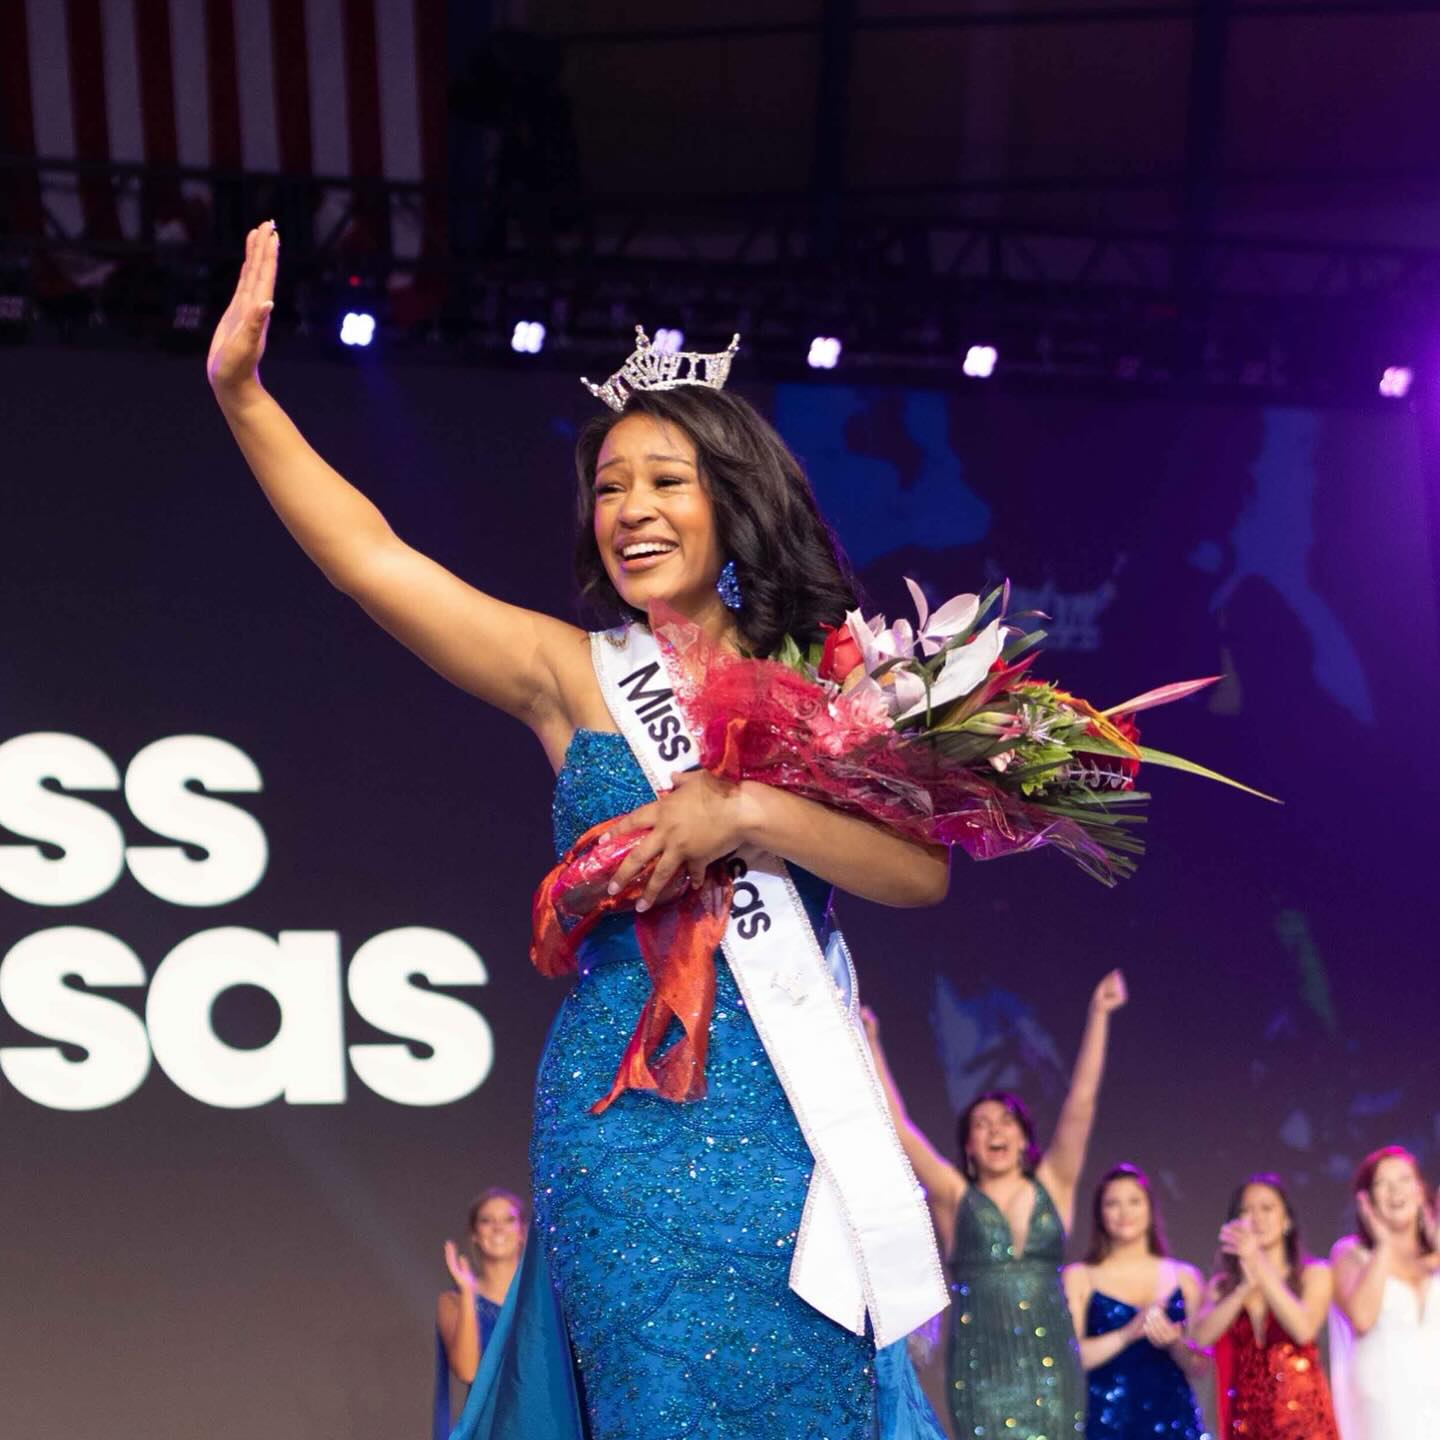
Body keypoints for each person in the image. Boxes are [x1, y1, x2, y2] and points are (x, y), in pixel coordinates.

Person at [206, 224, 951, 1440]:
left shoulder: (832, 684)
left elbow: (919, 873)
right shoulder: (573, 674)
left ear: (731, 499)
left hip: (799, 1124)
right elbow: (372, 562)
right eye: (609, 487)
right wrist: (243, 396)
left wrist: (744, 808)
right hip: (626, 1125)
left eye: (664, 481)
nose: (631, 510)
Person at [863, 968, 1128, 1440]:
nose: (995, 1131)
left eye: (1006, 1121)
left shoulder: (1054, 1184)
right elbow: (899, 1128)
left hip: (1052, 1369)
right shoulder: (955, 1196)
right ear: (969, 1147)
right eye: (981, 1125)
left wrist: (1099, 1014)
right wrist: (872, 1044)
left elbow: (1081, 1103)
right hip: (982, 1370)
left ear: (1025, 1137)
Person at [1061, 1162, 1207, 1440]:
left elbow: (1199, 1365)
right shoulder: (1079, 1276)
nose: (1124, 1212)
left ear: (1150, 1208)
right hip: (1108, 1423)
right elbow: (1070, 1357)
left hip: (1174, 1421)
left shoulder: (1185, 1277)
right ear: (1100, 1214)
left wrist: (1174, 1343)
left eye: (1134, 1202)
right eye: (1112, 1204)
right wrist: (1127, 1334)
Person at [1190, 1172, 1339, 1440]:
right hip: (1245, 1421)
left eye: (1267, 1208)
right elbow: (1200, 1338)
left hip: (1303, 1420)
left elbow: (1303, 1329)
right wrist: (1241, 1290)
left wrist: (1257, 1262)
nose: (1257, 1218)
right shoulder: (1223, 1286)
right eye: (1246, 1211)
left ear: (1286, 1220)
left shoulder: (1314, 1274)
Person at [1328, 1146, 1440, 1440]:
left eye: (1404, 1179)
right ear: (1367, 1199)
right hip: (1387, 1408)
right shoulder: (1351, 1255)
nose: (1395, 1190)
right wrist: (1385, 1244)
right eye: (1382, 1183)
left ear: (1420, 1190)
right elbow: (1362, 1318)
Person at [434, 1189, 526, 1440]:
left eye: (508, 1219)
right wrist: (468, 1293)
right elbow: (468, 1372)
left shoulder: (544, 1298)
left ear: (522, 1231)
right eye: (487, 1221)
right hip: (491, 1429)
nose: (498, 1228)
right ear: (474, 1234)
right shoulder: (453, 1301)